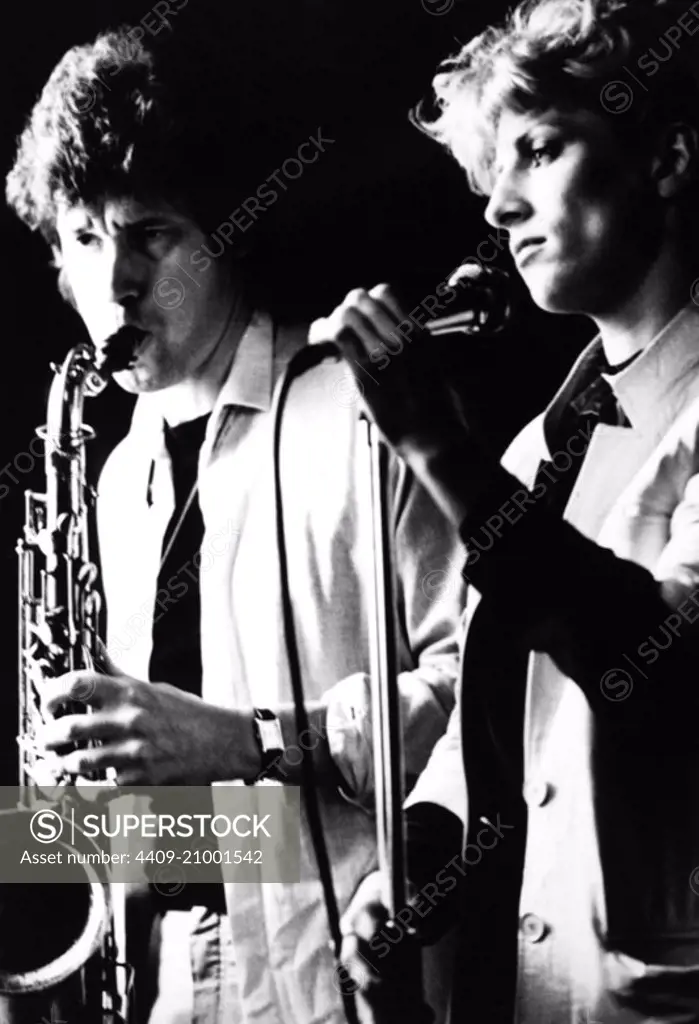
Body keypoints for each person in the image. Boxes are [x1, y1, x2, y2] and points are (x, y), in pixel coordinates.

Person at [5, 23, 466, 1024]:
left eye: (152, 233)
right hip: (162, 981)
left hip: (343, 981)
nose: (115, 282)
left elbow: (482, 696)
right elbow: (214, 832)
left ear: (224, 231)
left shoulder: (362, 405)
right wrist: (51, 822)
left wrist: (249, 741)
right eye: (85, 238)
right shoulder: (116, 473)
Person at [316, 0, 699, 1021]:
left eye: (539, 150)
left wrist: (435, 446)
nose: (499, 208)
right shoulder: (545, 443)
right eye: (497, 169)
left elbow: (652, 668)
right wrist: (422, 859)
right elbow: (492, 722)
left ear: (666, 159)